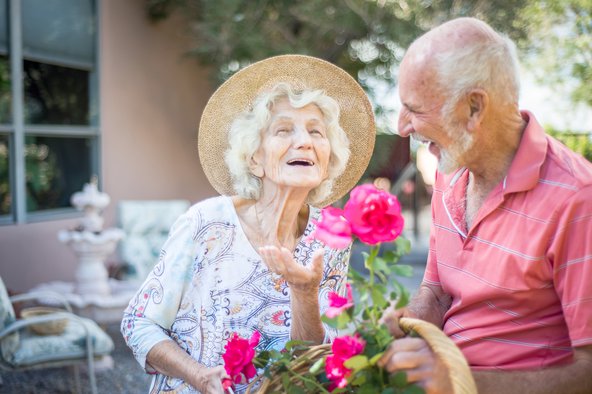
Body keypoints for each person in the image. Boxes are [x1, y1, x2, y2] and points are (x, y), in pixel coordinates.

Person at [121, 55, 376, 393]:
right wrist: (198, 375)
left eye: (316, 131)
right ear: (254, 158)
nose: (304, 141)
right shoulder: (206, 224)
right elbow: (138, 323)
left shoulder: (332, 238)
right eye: (284, 130)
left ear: (327, 161)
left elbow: (313, 364)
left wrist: (304, 291)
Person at [378, 17, 592, 394]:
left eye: (415, 108)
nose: (401, 126)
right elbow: (438, 290)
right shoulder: (451, 170)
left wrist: (460, 382)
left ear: (474, 108)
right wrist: (406, 321)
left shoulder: (577, 199)